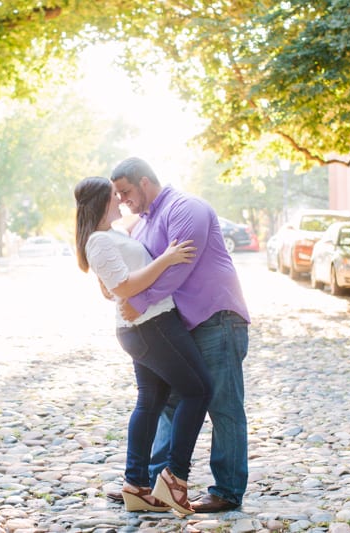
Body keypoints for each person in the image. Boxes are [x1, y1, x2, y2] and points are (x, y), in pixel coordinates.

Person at [109, 157, 250, 513]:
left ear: (144, 181)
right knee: (169, 405)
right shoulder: (141, 225)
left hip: (217, 318)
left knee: (223, 406)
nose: (123, 201)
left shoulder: (186, 208)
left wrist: (139, 302)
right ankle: (156, 485)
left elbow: (180, 267)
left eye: (125, 192)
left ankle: (228, 490)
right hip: (179, 326)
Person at [74, 176, 213, 516]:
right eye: (113, 196)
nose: (120, 201)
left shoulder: (110, 236)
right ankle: (174, 477)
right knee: (199, 391)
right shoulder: (98, 241)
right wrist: (166, 258)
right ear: (100, 202)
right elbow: (122, 287)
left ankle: (136, 486)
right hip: (150, 327)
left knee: (150, 403)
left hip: (145, 326)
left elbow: (111, 289)